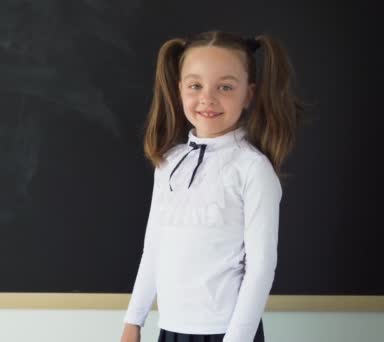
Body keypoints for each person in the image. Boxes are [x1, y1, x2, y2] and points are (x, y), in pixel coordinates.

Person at [120, 30, 304, 342]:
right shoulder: (168, 164)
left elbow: (260, 268)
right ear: (179, 90)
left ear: (248, 94)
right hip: (173, 328)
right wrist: (133, 320)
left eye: (225, 87)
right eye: (195, 85)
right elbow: (154, 247)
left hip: (227, 332)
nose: (208, 98)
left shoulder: (252, 169)